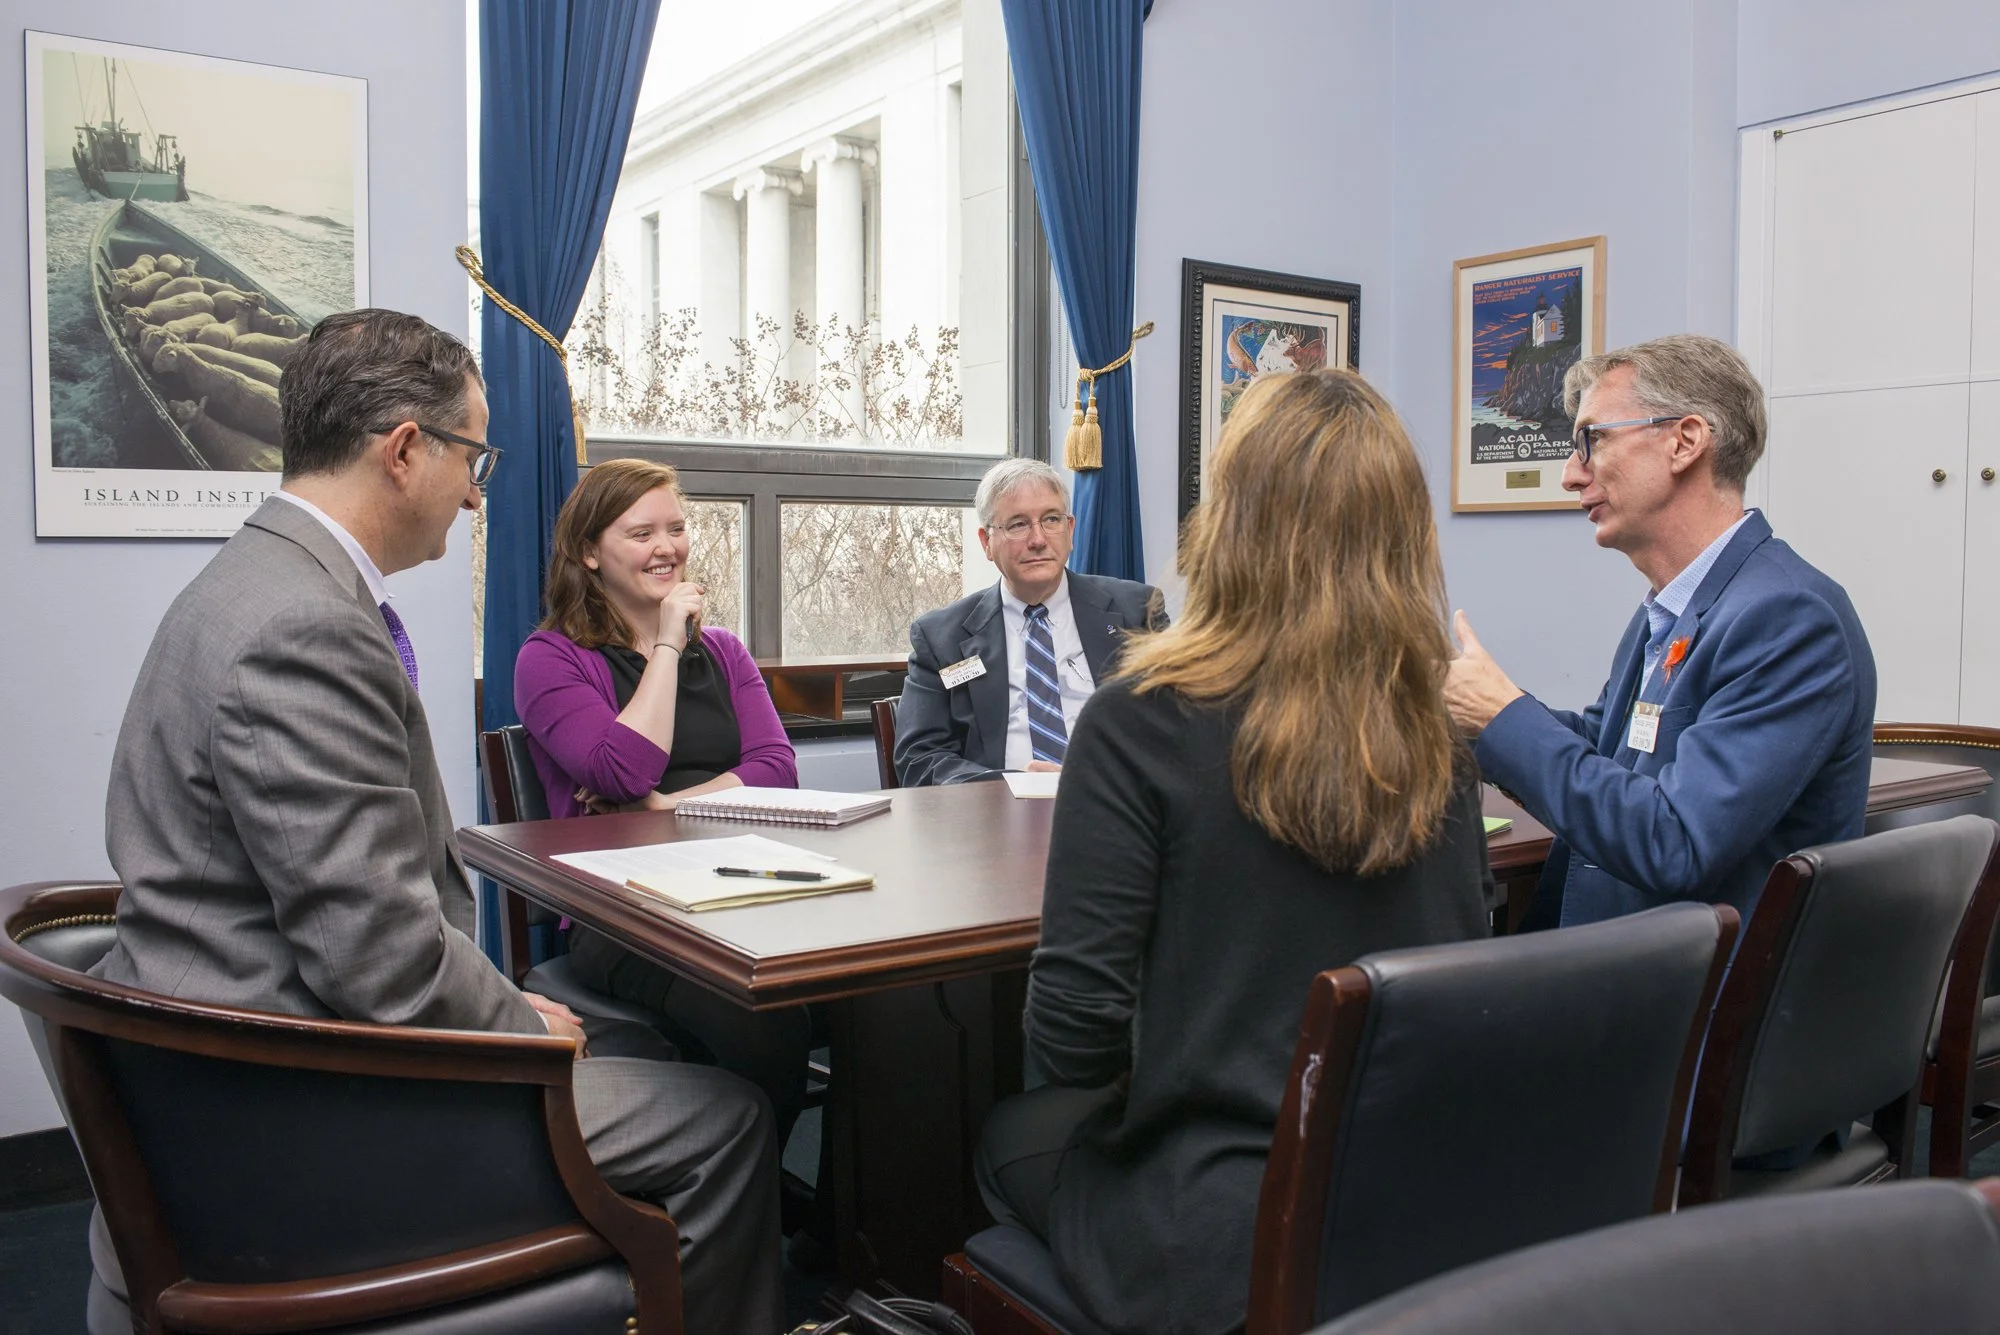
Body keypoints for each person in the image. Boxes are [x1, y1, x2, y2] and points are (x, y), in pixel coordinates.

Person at [92, 310, 779, 1335]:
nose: (473, 490)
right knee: (726, 1119)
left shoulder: (253, 583)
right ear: (405, 449)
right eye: (472, 457)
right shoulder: (305, 628)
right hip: (300, 1098)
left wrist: (495, 998)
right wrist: (514, 1023)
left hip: (230, 1055)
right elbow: (377, 957)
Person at [975, 371, 1493, 1335]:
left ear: (1229, 519)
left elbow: (1072, 1041)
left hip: (1222, 1235)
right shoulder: (1440, 721)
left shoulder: (1139, 718)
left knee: (1005, 1133)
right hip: (1421, 1196)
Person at [1445, 334, 1877, 929]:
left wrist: (1503, 715)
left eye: (1590, 441)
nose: (1571, 475)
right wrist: (1463, 716)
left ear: (1685, 441)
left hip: (1702, 999)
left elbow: (1675, 842)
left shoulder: (1789, 619)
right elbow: (1607, 747)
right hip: (1634, 964)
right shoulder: (1678, 605)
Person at [514, 457, 812, 1138]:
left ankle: (833, 1224)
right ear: (589, 552)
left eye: (676, 529)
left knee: (871, 1003)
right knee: (767, 1026)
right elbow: (623, 767)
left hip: (742, 886)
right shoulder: (550, 658)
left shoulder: (729, 652)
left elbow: (777, 767)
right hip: (623, 917)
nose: (667, 548)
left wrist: (667, 807)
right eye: (641, 533)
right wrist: (669, 644)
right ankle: (753, 1205)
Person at [895, 458, 1167, 786]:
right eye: (1018, 524)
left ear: (1070, 531)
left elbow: (1181, 728)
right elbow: (919, 759)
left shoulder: (1136, 612)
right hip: (997, 817)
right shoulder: (942, 639)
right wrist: (1015, 783)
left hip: (1118, 808)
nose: (1038, 539)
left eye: (1051, 519)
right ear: (986, 542)